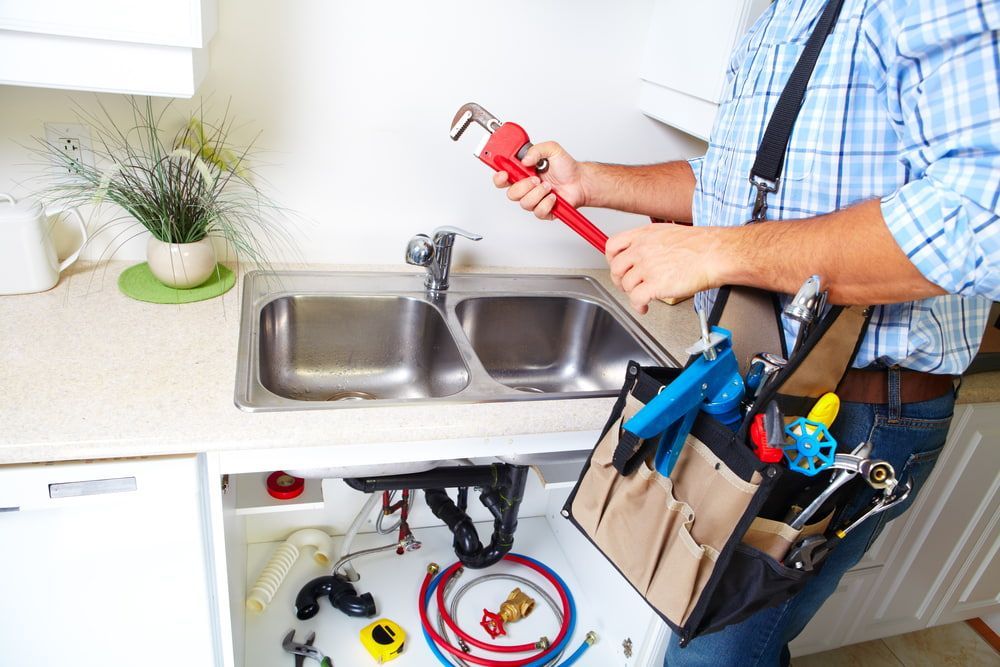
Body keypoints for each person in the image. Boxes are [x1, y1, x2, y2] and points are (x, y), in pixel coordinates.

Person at [491, 0, 999, 664]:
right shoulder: (776, 17)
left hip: (851, 416)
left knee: (711, 649)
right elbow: (726, 188)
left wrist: (718, 253)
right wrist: (589, 181)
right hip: (756, 385)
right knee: (693, 606)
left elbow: (980, 218)